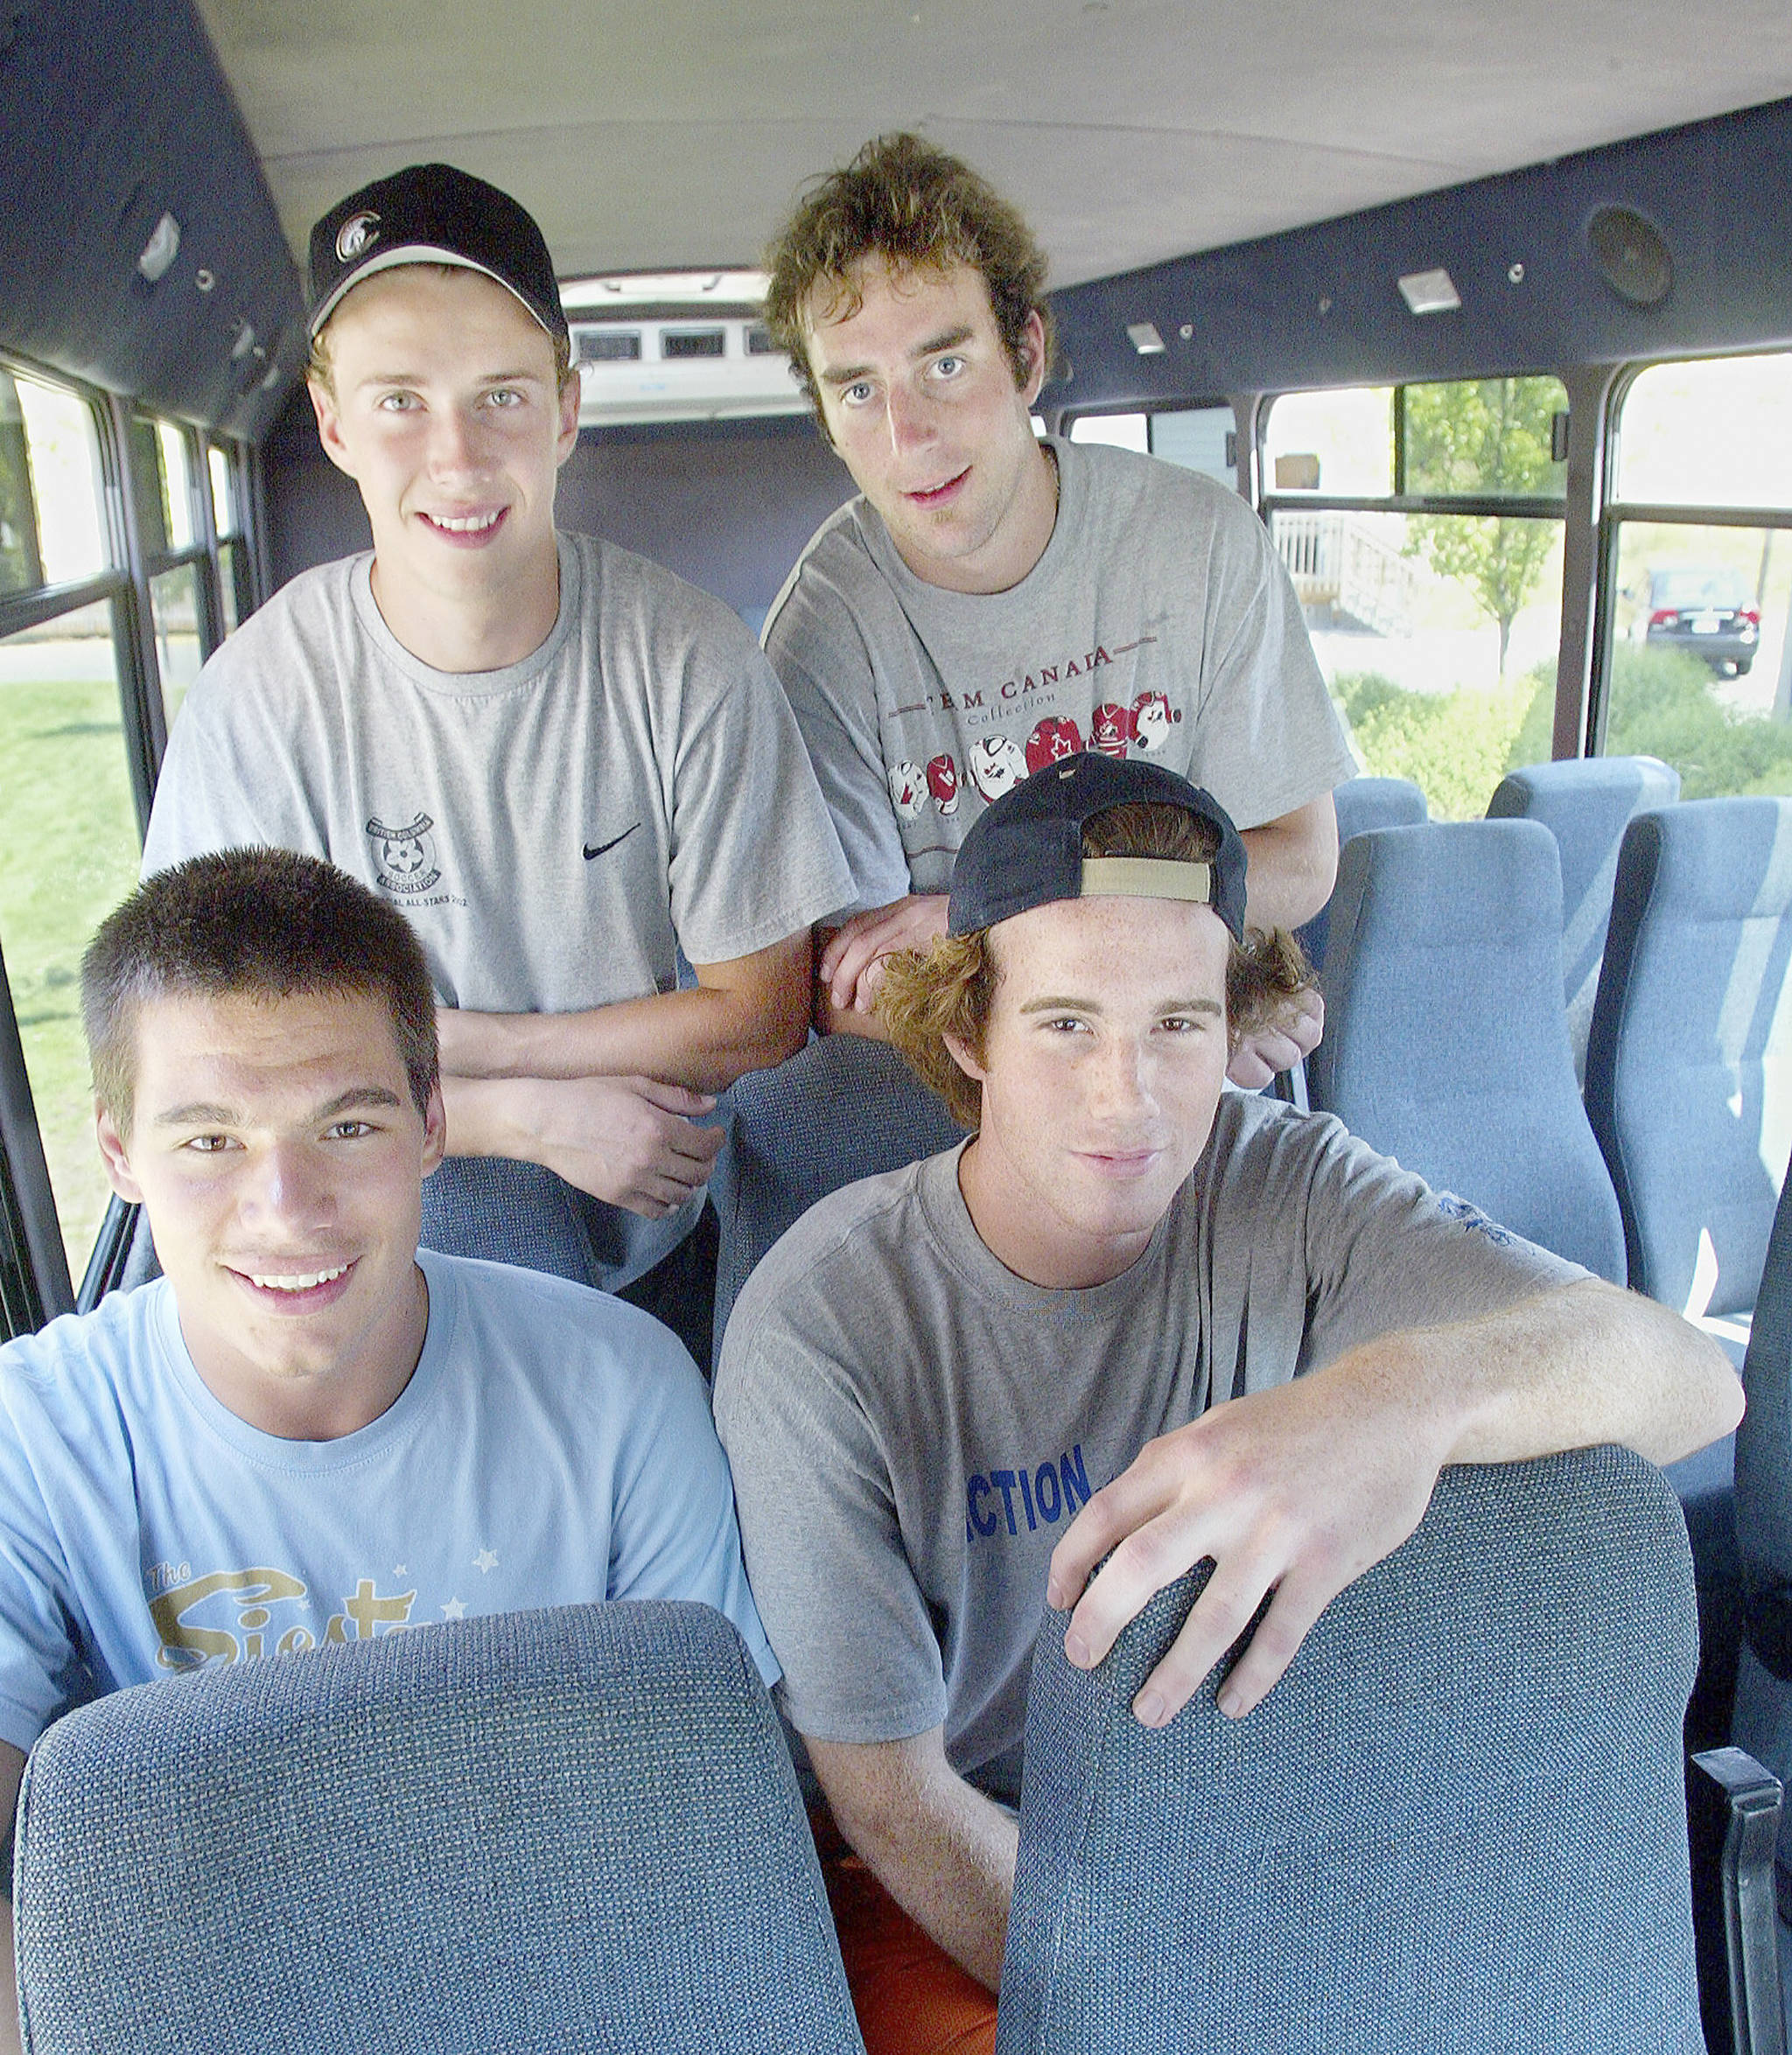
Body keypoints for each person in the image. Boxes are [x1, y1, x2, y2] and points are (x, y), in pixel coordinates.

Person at [712, 751, 1742, 2055]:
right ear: (969, 1032)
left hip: (1271, 1825)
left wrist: (1391, 1400)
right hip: (963, 1872)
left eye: (1178, 1027)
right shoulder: (826, 1323)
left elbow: (1688, 1381)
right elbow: (890, 1795)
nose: (1125, 1094)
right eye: (1067, 1022)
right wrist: (1180, 1989)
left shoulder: (1284, 1186)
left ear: (1235, 1027)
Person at [0, 848, 777, 2052]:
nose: (287, 1208)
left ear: (430, 1126)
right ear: (119, 1156)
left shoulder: (623, 1393)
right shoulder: (30, 1439)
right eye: (209, 1141)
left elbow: (709, 1827)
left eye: (345, 1124)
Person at [142, 161, 852, 1314]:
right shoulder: (258, 702)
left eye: (501, 397)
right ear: (331, 422)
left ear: (566, 409)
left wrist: (435, 1042)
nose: (459, 459)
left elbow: (762, 1011)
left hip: (650, 1212)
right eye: (400, 402)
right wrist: (514, 1116)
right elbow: (213, 1060)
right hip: (360, 1247)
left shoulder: (689, 658)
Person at [758, 133, 1358, 1081]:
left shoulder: (1199, 545)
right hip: (955, 1102)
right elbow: (851, 988)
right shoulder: (821, 634)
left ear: (1026, 355)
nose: (906, 437)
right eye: (859, 390)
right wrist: (1163, 1018)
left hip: (1191, 1077)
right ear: (827, 421)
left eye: (942, 367)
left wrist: (975, 916)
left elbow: (1296, 860)